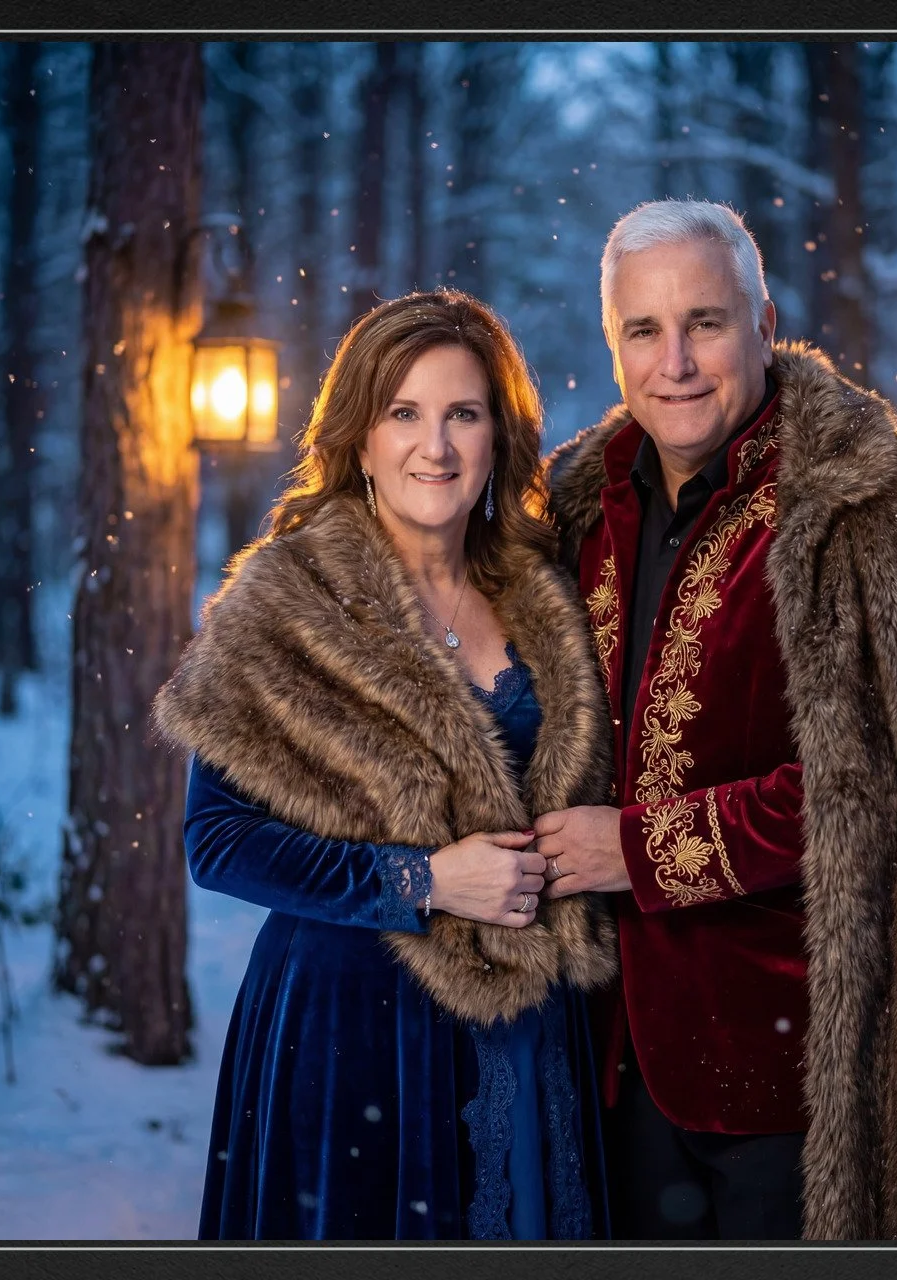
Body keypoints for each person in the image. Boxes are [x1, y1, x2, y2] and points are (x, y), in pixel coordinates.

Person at [533, 199, 897, 1240]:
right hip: (604, 1051)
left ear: (765, 319)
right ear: (613, 345)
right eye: (644, 330)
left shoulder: (872, 506)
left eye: (707, 322)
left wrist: (638, 850)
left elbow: (882, 783)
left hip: (802, 1071)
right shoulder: (577, 511)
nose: (675, 360)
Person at [152, 291, 618, 1240]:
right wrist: (423, 880)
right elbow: (218, 842)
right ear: (358, 440)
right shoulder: (286, 602)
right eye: (403, 414)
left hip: (532, 1031)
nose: (434, 447)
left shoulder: (545, 591)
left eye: (463, 414)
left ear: (499, 436)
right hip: (352, 1024)